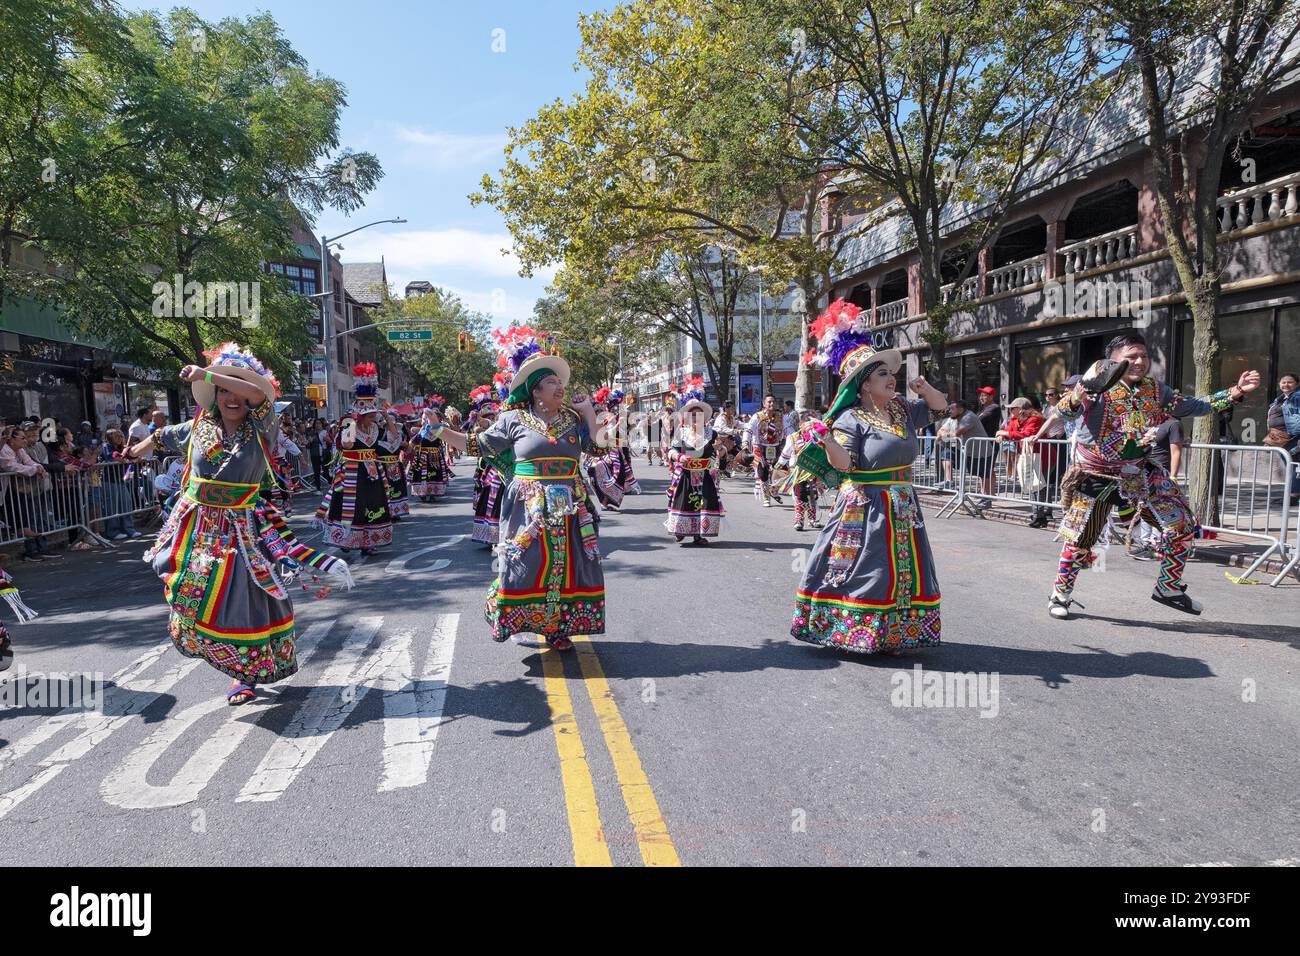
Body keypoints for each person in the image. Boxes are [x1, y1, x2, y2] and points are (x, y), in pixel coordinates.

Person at [125, 343, 352, 705]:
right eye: (224, 390)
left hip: (241, 529)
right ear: (214, 396)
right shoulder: (196, 428)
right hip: (196, 527)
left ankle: (243, 676)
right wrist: (134, 450)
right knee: (190, 592)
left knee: (244, 600)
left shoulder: (263, 427)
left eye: (237, 389)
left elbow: (260, 394)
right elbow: (160, 437)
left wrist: (208, 375)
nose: (232, 397)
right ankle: (221, 655)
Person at [1047, 331, 1261, 619]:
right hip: (1096, 475)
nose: (1139, 361)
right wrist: (1079, 392)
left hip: (1140, 474)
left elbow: (1196, 406)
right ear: (1112, 361)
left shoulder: (1156, 390)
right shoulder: (1095, 388)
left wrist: (1237, 390)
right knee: (1080, 540)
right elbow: (1065, 413)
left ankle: (1169, 587)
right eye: (1131, 356)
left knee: (1182, 524)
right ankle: (1061, 594)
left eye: (1143, 356)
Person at [432, 327, 608, 651]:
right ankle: (512, 613)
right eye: (552, 382)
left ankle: (558, 628)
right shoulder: (513, 419)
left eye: (559, 381)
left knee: (568, 565)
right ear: (536, 391)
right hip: (528, 506)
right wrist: (439, 430)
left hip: (570, 504)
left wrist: (589, 414)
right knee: (526, 564)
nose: (560, 387)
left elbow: (598, 449)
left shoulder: (572, 418)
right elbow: (477, 445)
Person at [790, 299, 949, 654]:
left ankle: (894, 632)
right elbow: (845, 465)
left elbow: (941, 409)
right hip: (866, 505)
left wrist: (925, 389)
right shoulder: (851, 419)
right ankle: (855, 629)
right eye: (881, 374)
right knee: (868, 568)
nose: (892, 378)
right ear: (863, 385)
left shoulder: (903, 409)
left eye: (890, 373)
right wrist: (828, 438)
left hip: (903, 503)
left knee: (901, 570)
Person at [314, 363, 394, 555]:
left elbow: (393, 434)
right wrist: (350, 422)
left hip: (372, 472)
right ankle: (347, 539)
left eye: (375, 412)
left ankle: (368, 542)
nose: (375, 414)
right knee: (351, 506)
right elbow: (348, 445)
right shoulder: (350, 427)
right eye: (372, 412)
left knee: (373, 504)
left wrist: (387, 417)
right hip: (352, 473)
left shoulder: (375, 428)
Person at [664, 379, 724, 545]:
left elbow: (722, 450)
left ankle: (699, 534)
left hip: (704, 475)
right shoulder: (681, 434)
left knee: (703, 502)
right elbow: (671, 451)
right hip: (685, 474)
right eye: (692, 414)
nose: (695, 417)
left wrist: (721, 449)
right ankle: (680, 530)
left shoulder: (711, 434)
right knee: (684, 501)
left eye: (698, 414)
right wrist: (679, 457)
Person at [468, 378, 508, 545]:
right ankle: (491, 534)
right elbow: (479, 429)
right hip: (491, 468)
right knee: (489, 495)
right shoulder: (483, 427)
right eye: (487, 414)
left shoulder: (502, 423)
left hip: (508, 468)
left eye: (492, 414)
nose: (491, 416)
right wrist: (479, 421)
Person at [997, 397, 1048, 526]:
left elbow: (1026, 434)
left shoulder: (1035, 419)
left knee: (1038, 485)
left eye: (1012, 408)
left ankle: (1041, 515)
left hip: (1041, 455)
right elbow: (1010, 431)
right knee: (1031, 484)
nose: (1010, 411)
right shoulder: (1014, 420)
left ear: (1020, 409)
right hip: (1027, 455)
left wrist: (1005, 433)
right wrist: (1002, 435)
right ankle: (1037, 513)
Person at [775, 409, 823, 531]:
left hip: (813, 472)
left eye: (814, 423)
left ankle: (812, 519)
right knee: (800, 495)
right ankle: (799, 520)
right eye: (808, 423)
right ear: (801, 424)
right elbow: (785, 454)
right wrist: (778, 467)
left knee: (813, 495)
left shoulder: (817, 438)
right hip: (798, 472)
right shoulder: (793, 437)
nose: (811, 426)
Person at [406, 395, 452, 502]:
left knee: (434, 474)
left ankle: (432, 493)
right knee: (423, 475)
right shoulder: (422, 432)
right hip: (423, 458)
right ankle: (423, 493)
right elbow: (412, 442)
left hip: (435, 457)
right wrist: (409, 449)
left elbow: (449, 432)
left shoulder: (439, 431)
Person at [745, 393, 788, 506]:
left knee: (783, 471)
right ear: (764, 404)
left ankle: (773, 490)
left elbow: (789, 429)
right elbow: (749, 429)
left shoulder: (781, 416)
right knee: (763, 472)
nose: (771, 404)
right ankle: (766, 498)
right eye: (769, 402)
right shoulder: (757, 416)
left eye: (773, 401)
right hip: (760, 447)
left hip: (776, 447)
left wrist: (794, 440)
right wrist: (745, 442)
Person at [1266, 372, 1299, 502]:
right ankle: (1292, 493)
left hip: (1292, 436)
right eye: (1283, 382)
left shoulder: (1296, 397)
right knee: (1289, 464)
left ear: (1297, 384)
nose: (1286, 384)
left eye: (1290, 382)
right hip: (1279, 436)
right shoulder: (1280, 398)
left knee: (1294, 464)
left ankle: (1294, 494)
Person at [377, 410, 410, 519]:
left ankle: (396, 512)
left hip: (395, 466)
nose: (391, 427)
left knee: (397, 488)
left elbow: (408, 450)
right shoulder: (378, 434)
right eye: (388, 424)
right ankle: (386, 512)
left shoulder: (398, 436)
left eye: (393, 424)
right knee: (384, 489)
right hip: (382, 466)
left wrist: (406, 445)